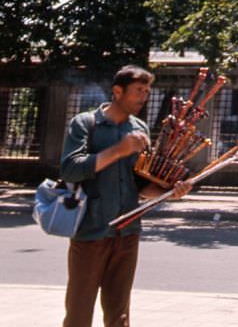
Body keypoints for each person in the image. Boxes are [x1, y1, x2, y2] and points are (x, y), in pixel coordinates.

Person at [60, 65, 192, 327]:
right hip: (91, 231)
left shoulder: (140, 128)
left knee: (119, 315)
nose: (144, 97)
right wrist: (119, 150)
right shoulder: (86, 124)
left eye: (147, 91)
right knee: (79, 312)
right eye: (138, 91)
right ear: (117, 91)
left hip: (127, 233)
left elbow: (140, 185)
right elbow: (70, 170)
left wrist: (169, 193)